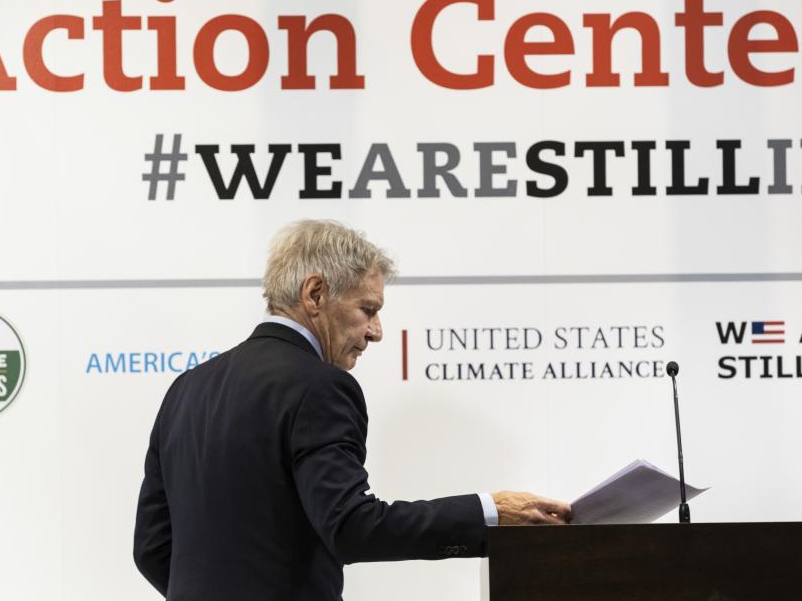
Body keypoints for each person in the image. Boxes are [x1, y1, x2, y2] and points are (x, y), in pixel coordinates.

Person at [134, 219, 571, 600]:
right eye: (368, 310)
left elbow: (152, 547)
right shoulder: (319, 386)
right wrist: (489, 512)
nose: (377, 332)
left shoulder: (186, 388)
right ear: (316, 293)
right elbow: (351, 526)